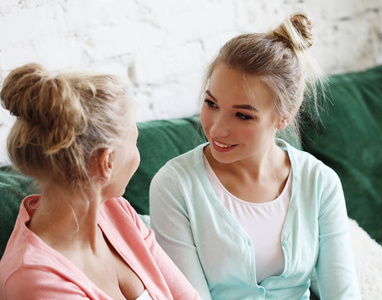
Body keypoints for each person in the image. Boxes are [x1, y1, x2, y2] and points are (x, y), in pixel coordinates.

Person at [149, 12, 361, 300]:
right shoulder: (175, 186)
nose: (217, 128)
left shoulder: (320, 182)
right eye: (211, 103)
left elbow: (343, 293)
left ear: (282, 118)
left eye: (242, 115)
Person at [0, 63, 201, 300]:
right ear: (107, 162)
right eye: (135, 142)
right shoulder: (36, 282)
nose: (138, 155)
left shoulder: (118, 212)